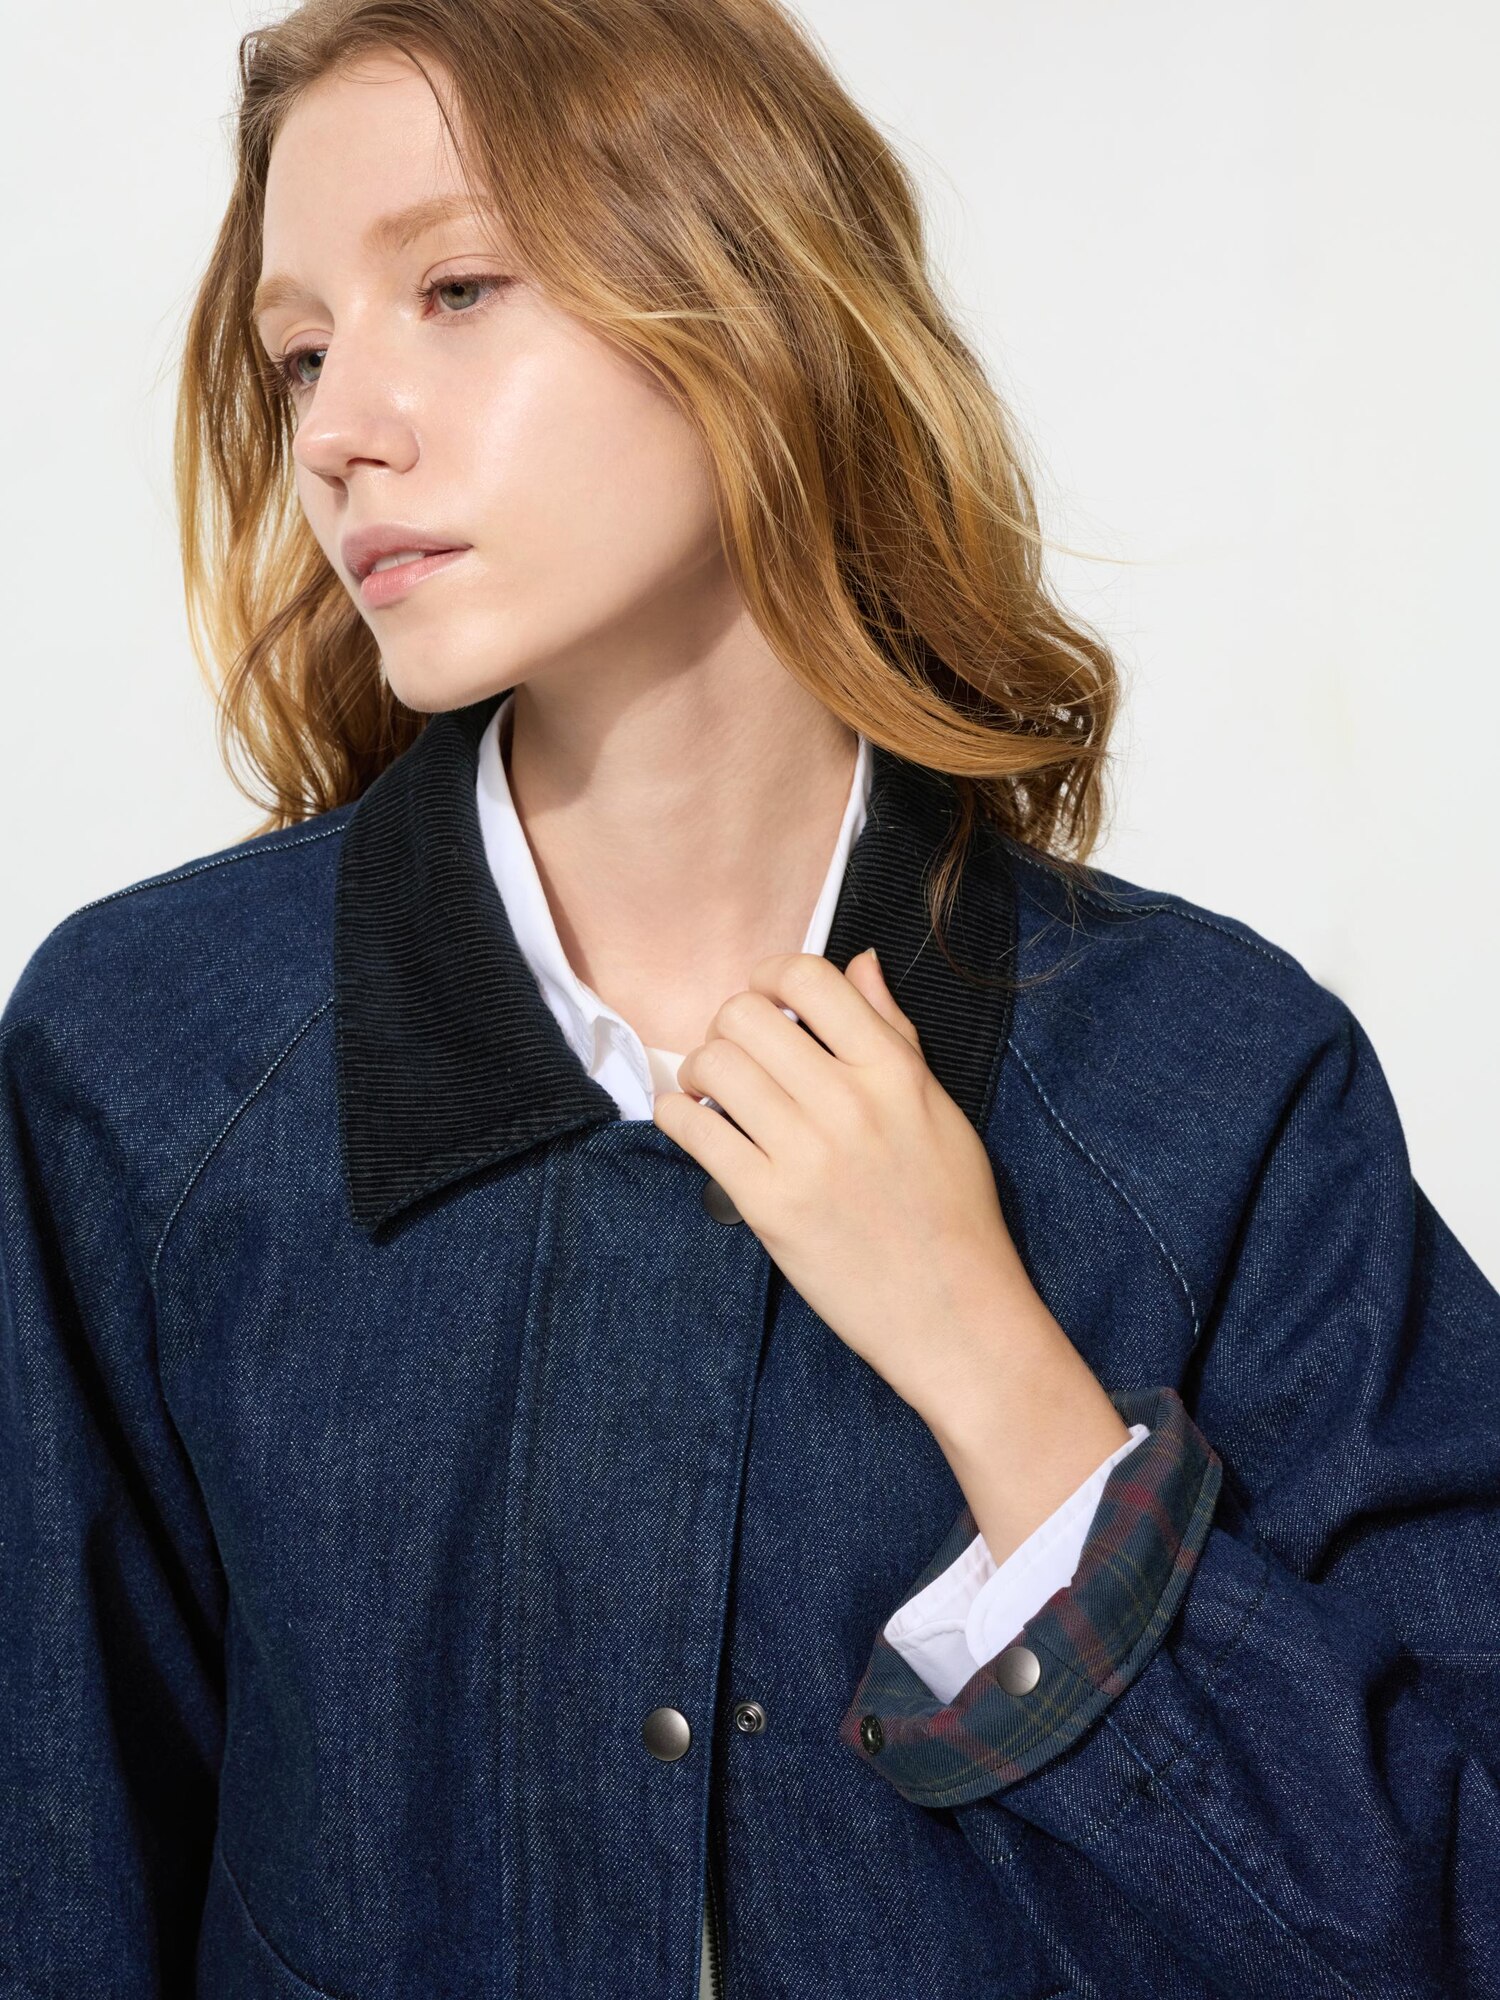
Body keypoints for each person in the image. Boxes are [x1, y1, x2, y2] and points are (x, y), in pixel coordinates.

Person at [2, 1, 1497, 1994]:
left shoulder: (1217, 1091)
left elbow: (1452, 1915)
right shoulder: (147, 1068)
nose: (343, 426)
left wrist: (1004, 1382)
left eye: (455, 289)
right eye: (301, 352)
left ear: (751, 297)